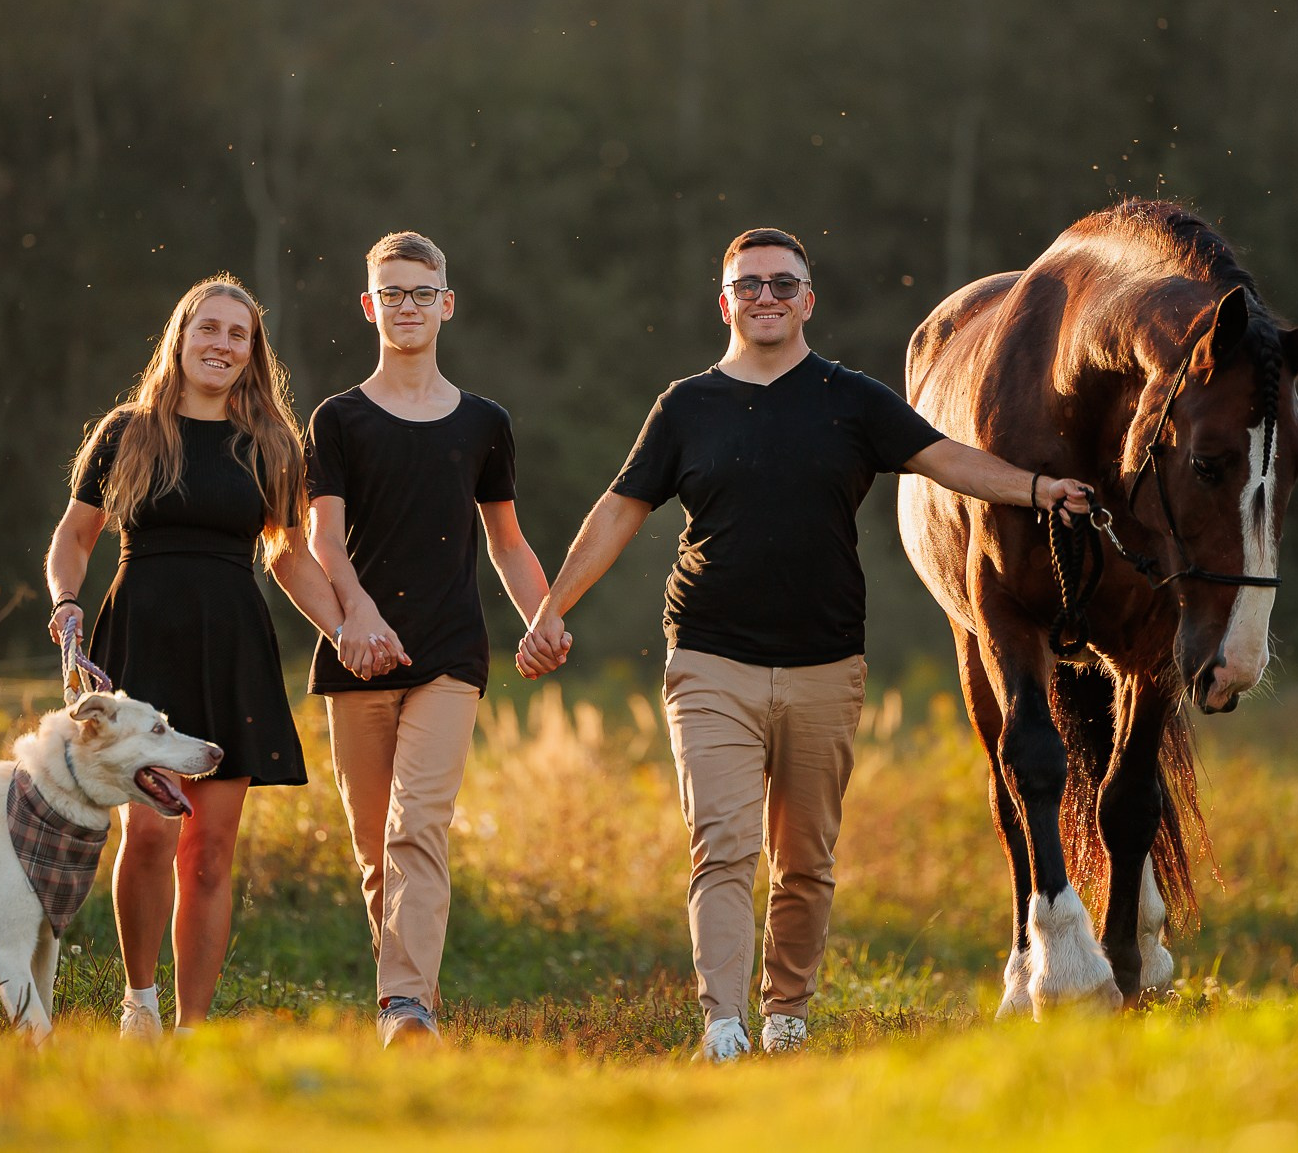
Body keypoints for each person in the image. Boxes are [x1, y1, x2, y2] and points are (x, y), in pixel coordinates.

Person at [516, 227, 1093, 1062]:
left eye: (783, 285)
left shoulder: (851, 399)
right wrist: (551, 608)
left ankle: (786, 1013)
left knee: (806, 859)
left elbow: (950, 462)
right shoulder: (686, 405)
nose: (766, 298)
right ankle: (723, 1022)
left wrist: (1040, 488)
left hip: (826, 662)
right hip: (710, 659)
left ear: (807, 300)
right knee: (722, 845)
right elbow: (619, 511)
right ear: (725, 302)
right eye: (749, 285)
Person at [44, 275, 347, 1040]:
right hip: (140, 636)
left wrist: (346, 631)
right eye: (207, 329)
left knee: (210, 850)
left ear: (252, 353)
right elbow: (74, 539)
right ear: (179, 338)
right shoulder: (127, 431)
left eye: (236, 334)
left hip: (231, 645)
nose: (220, 343)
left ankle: (193, 1031)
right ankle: (139, 1004)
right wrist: (66, 605)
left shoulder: (272, 443)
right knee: (149, 833)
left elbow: (289, 557)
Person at [306, 231, 556, 1047]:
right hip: (358, 658)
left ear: (447, 303)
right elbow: (324, 543)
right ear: (368, 305)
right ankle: (410, 997)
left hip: (450, 654)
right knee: (378, 852)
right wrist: (357, 616)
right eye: (392, 292)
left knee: (420, 824)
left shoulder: (484, 423)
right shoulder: (336, 419)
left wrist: (544, 615)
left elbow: (508, 543)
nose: (407, 306)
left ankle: (404, 1006)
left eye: (422, 292)